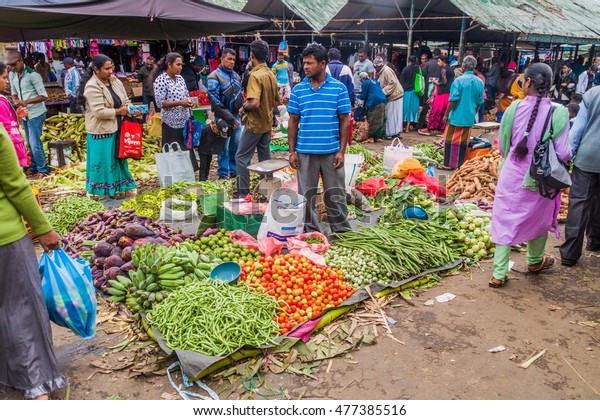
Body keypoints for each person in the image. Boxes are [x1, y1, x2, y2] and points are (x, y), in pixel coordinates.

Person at [0, 119, 66, 400]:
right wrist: (43, 229)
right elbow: (15, 186)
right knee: (21, 310)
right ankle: (37, 389)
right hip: (6, 238)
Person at [489, 63, 571, 287]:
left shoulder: (513, 108)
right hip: (542, 179)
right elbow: (564, 152)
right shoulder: (560, 112)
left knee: (505, 220)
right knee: (539, 219)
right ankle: (535, 261)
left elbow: (504, 149)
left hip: (511, 176)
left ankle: (498, 274)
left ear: (528, 83)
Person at [287, 43, 352, 234]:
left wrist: (341, 151)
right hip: (305, 152)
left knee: (336, 195)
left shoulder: (338, 89)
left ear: (322, 64)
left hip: (331, 152)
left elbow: (344, 121)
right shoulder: (298, 90)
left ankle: (341, 232)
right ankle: (311, 232)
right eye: (304, 63)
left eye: (310, 63)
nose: (305, 67)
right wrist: (292, 152)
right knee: (306, 196)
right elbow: (292, 121)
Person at [77, 54, 139, 199]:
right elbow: (99, 112)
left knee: (118, 159)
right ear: (96, 70)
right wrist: (119, 111)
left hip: (118, 127)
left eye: (111, 67)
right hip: (101, 131)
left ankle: (122, 188)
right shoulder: (92, 86)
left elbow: (125, 99)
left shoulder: (115, 81)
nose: (110, 71)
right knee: (103, 162)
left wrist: (131, 109)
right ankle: (100, 192)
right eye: (106, 69)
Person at [560, 85, 600, 266]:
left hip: (588, 156)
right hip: (588, 158)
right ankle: (595, 241)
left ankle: (570, 253)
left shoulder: (593, 93)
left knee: (579, 203)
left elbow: (578, 128)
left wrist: (567, 155)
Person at [235, 40, 279, 197]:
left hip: (254, 124)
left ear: (252, 56)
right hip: (266, 123)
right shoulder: (270, 74)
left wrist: (243, 107)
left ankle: (243, 193)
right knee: (264, 158)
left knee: (241, 158)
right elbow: (277, 101)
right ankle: (266, 191)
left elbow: (254, 102)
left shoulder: (255, 75)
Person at [5, 50, 50, 177]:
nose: (12, 68)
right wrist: (15, 101)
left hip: (36, 113)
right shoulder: (13, 75)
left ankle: (43, 169)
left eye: (14, 65)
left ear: (21, 61)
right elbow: (14, 93)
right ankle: (34, 166)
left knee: (35, 143)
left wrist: (25, 102)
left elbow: (43, 96)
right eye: (10, 65)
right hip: (25, 114)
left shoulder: (33, 75)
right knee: (29, 143)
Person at [153, 52, 198, 173]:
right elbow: (160, 103)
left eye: (181, 65)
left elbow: (185, 95)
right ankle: (173, 176)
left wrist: (189, 102)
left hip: (183, 121)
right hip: (170, 123)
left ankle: (186, 174)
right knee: (172, 150)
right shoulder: (160, 80)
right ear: (169, 65)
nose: (181, 67)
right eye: (178, 65)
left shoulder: (180, 78)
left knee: (185, 149)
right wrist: (180, 103)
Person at [441, 56, 484, 169]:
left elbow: (453, 100)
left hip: (456, 116)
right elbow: (480, 101)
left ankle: (449, 164)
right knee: (463, 141)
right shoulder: (479, 82)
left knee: (450, 139)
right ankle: (459, 163)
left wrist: (446, 114)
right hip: (469, 116)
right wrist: (474, 112)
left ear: (463, 67)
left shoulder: (458, 81)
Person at [207, 48, 244, 180]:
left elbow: (240, 96)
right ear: (222, 59)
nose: (232, 62)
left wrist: (241, 110)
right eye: (229, 59)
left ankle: (233, 171)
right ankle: (223, 174)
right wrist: (230, 118)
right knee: (223, 147)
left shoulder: (236, 76)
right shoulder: (214, 77)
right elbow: (215, 103)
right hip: (222, 118)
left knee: (236, 145)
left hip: (237, 117)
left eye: (234, 59)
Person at [0, 63, 28, 167]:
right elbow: (4, 134)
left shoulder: (3, 100)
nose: (7, 82)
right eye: (4, 78)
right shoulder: (0, 102)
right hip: (9, 160)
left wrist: (15, 116)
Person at [418, 56, 454, 136]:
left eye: (439, 61)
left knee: (436, 110)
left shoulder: (444, 70)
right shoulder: (450, 69)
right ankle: (442, 130)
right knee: (443, 111)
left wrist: (436, 82)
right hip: (447, 93)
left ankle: (430, 128)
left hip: (442, 94)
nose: (438, 63)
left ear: (443, 61)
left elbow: (444, 82)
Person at [373, 56, 404, 138]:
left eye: (376, 67)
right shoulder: (382, 71)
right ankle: (392, 132)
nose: (375, 69)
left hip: (395, 95)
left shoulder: (386, 71)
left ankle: (392, 133)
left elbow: (392, 83)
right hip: (391, 96)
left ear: (380, 65)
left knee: (392, 115)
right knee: (391, 115)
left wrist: (383, 92)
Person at [416, 48, 442, 130]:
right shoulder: (442, 64)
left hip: (428, 87)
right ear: (440, 55)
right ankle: (435, 126)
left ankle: (420, 125)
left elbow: (423, 75)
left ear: (433, 54)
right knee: (436, 107)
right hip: (439, 87)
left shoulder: (428, 64)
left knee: (425, 106)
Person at [358, 72, 387, 142]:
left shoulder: (366, 83)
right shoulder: (375, 82)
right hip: (382, 99)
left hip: (374, 101)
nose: (361, 82)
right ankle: (378, 136)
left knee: (372, 119)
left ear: (363, 78)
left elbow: (363, 95)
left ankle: (371, 136)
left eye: (360, 80)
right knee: (380, 118)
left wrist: (358, 96)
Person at [399, 55, 421, 133]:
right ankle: (408, 127)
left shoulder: (405, 69)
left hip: (406, 92)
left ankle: (401, 126)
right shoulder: (419, 69)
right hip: (415, 92)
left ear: (408, 61)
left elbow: (401, 81)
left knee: (404, 109)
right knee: (411, 109)